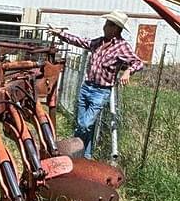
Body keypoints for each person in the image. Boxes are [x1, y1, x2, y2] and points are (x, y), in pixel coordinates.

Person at [49, 11, 144, 158]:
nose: (104, 27)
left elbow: (138, 62)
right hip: (87, 87)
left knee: (84, 125)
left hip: (101, 91)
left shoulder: (121, 47)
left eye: (107, 24)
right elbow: (80, 41)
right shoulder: (98, 42)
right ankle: (86, 156)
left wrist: (128, 72)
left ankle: (72, 152)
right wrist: (60, 34)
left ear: (115, 28)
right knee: (85, 125)